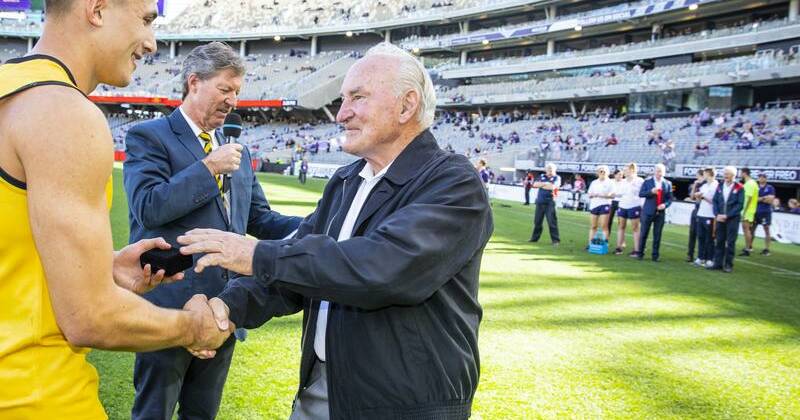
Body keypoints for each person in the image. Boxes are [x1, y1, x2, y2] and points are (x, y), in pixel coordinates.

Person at [177, 42, 493, 419]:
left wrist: (256, 253)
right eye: (343, 99)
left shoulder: (453, 183)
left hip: (406, 406)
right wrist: (226, 306)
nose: (342, 114)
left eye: (357, 98)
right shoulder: (347, 180)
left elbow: (382, 268)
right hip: (324, 390)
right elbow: (296, 268)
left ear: (407, 106)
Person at [0, 1, 230, 417]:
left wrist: (100, 269)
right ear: (97, 9)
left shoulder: (10, 89)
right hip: (35, 396)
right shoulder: (63, 113)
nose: (151, 42)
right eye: (145, 19)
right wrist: (194, 327)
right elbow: (90, 317)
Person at [123, 42, 302, 420]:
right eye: (225, 89)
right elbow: (148, 207)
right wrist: (207, 169)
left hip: (224, 310)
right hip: (168, 310)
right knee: (152, 412)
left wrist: (321, 223)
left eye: (237, 91)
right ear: (194, 83)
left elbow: (260, 221)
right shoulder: (150, 137)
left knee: (202, 415)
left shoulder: (236, 152)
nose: (233, 100)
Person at [710, 166, 745, 273]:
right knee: (719, 241)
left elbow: (740, 205)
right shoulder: (720, 186)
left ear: (734, 176)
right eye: (725, 173)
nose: (725, 176)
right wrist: (717, 214)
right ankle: (718, 263)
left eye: (728, 174)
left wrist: (728, 215)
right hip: (720, 218)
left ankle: (728, 265)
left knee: (730, 242)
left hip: (732, 219)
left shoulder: (739, 187)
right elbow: (715, 201)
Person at [637, 164, 672, 261]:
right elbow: (641, 194)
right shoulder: (647, 182)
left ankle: (655, 256)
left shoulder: (668, 183)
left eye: (661, 171)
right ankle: (640, 253)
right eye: (658, 171)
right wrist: (651, 192)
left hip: (660, 213)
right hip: (648, 211)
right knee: (644, 233)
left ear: (664, 172)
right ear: (654, 171)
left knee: (657, 235)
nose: (659, 173)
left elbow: (670, 199)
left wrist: (665, 205)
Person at [615, 162, 644, 256]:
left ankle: (637, 250)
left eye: (626, 169)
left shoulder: (640, 181)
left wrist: (642, 206)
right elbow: (618, 193)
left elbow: (642, 194)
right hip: (623, 205)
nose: (624, 171)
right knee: (620, 226)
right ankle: (619, 247)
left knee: (635, 228)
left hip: (634, 206)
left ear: (632, 169)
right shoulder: (623, 181)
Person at [529, 163, 561, 245]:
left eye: (551, 169)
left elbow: (552, 187)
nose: (550, 170)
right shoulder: (542, 176)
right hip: (540, 201)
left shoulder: (557, 177)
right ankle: (534, 238)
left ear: (554, 170)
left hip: (550, 202)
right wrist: (546, 184)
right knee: (537, 221)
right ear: (545, 169)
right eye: (548, 169)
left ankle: (555, 240)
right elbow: (535, 185)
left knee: (552, 222)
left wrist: (542, 184)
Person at [693, 167, 718, 268]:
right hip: (701, 213)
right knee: (701, 237)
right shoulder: (704, 186)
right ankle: (700, 257)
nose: (704, 176)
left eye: (705, 174)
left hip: (710, 215)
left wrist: (703, 197)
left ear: (709, 174)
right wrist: (698, 196)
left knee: (710, 238)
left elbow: (714, 201)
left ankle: (710, 258)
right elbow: (697, 198)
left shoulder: (716, 186)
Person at [586, 165, 615, 248]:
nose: (602, 173)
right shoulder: (594, 182)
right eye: (600, 171)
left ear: (607, 173)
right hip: (594, 205)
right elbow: (589, 193)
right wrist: (592, 195)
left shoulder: (610, 182)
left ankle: (604, 244)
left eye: (604, 171)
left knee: (604, 226)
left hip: (605, 204)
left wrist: (601, 195)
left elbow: (612, 195)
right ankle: (590, 244)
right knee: (593, 226)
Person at [686, 169, 706, 262]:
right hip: (696, 210)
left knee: (701, 234)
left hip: (703, 211)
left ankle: (701, 256)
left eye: (697, 175)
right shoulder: (697, 184)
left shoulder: (706, 185)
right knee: (692, 233)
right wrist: (694, 185)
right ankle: (690, 254)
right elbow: (692, 197)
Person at [754, 174, 776, 256]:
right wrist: (764, 198)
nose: (761, 178)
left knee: (766, 229)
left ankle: (767, 249)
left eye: (763, 177)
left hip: (765, 212)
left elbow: (770, 200)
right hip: (755, 211)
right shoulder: (756, 187)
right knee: (752, 229)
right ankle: (749, 246)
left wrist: (760, 199)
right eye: (760, 177)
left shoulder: (770, 187)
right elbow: (753, 199)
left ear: (766, 178)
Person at [739, 168, 758, 257]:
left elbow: (749, 198)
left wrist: (744, 211)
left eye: (741, 173)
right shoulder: (751, 183)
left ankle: (747, 249)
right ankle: (747, 247)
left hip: (748, 210)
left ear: (744, 173)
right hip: (749, 210)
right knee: (747, 230)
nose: (740, 175)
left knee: (746, 230)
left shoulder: (750, 183)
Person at [607, 169, 623, 235]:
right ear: (615, 175)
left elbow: (624, 193)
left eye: (621, 175)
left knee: (621, 222)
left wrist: (616, 194)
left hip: (621, 203)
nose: (620, 176)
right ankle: (606, 238)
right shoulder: (610, 181)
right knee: (608, 220)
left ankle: (620, 241)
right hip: (611, 202)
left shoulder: (624, 182)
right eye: (619, 174)